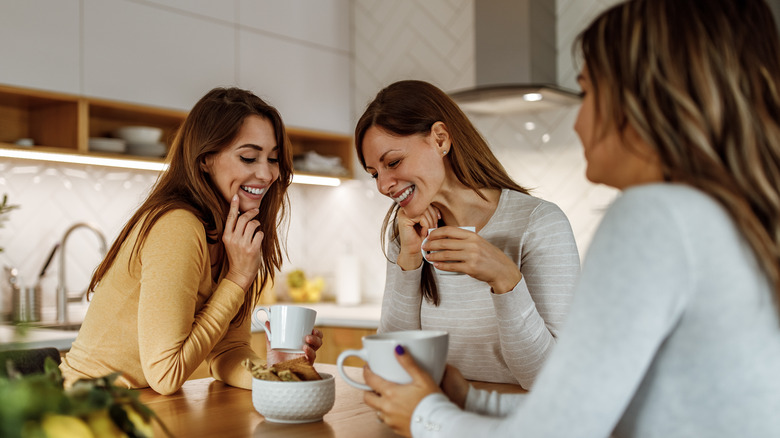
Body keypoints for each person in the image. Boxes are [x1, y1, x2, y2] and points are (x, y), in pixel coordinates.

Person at [361, 0, 780, 436]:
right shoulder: (715, 216)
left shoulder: (654, 217)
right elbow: (600, 410)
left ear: (642, 98)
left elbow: (562, 431)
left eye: (587, 92)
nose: (578, 121)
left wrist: (425, 418)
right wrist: (468, 400)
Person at [60, 87, 323, 395]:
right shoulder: (178, 227)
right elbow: (166, 374)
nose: (266, 173)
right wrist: (237, 278)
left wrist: (278, 376)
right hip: (78, 405)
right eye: (249, 157)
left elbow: (228, 351)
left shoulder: (236, 236)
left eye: (274, 158)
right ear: (205, 160)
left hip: (133, 405)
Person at [355, 80, 581, 387]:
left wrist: (504, 279)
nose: (383, 185)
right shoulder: (409, 235)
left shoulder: (539, 223)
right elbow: (395, 366)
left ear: (440, 139)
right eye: (374, 175)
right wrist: (409, 261)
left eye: (393, 162)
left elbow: (550, 379)